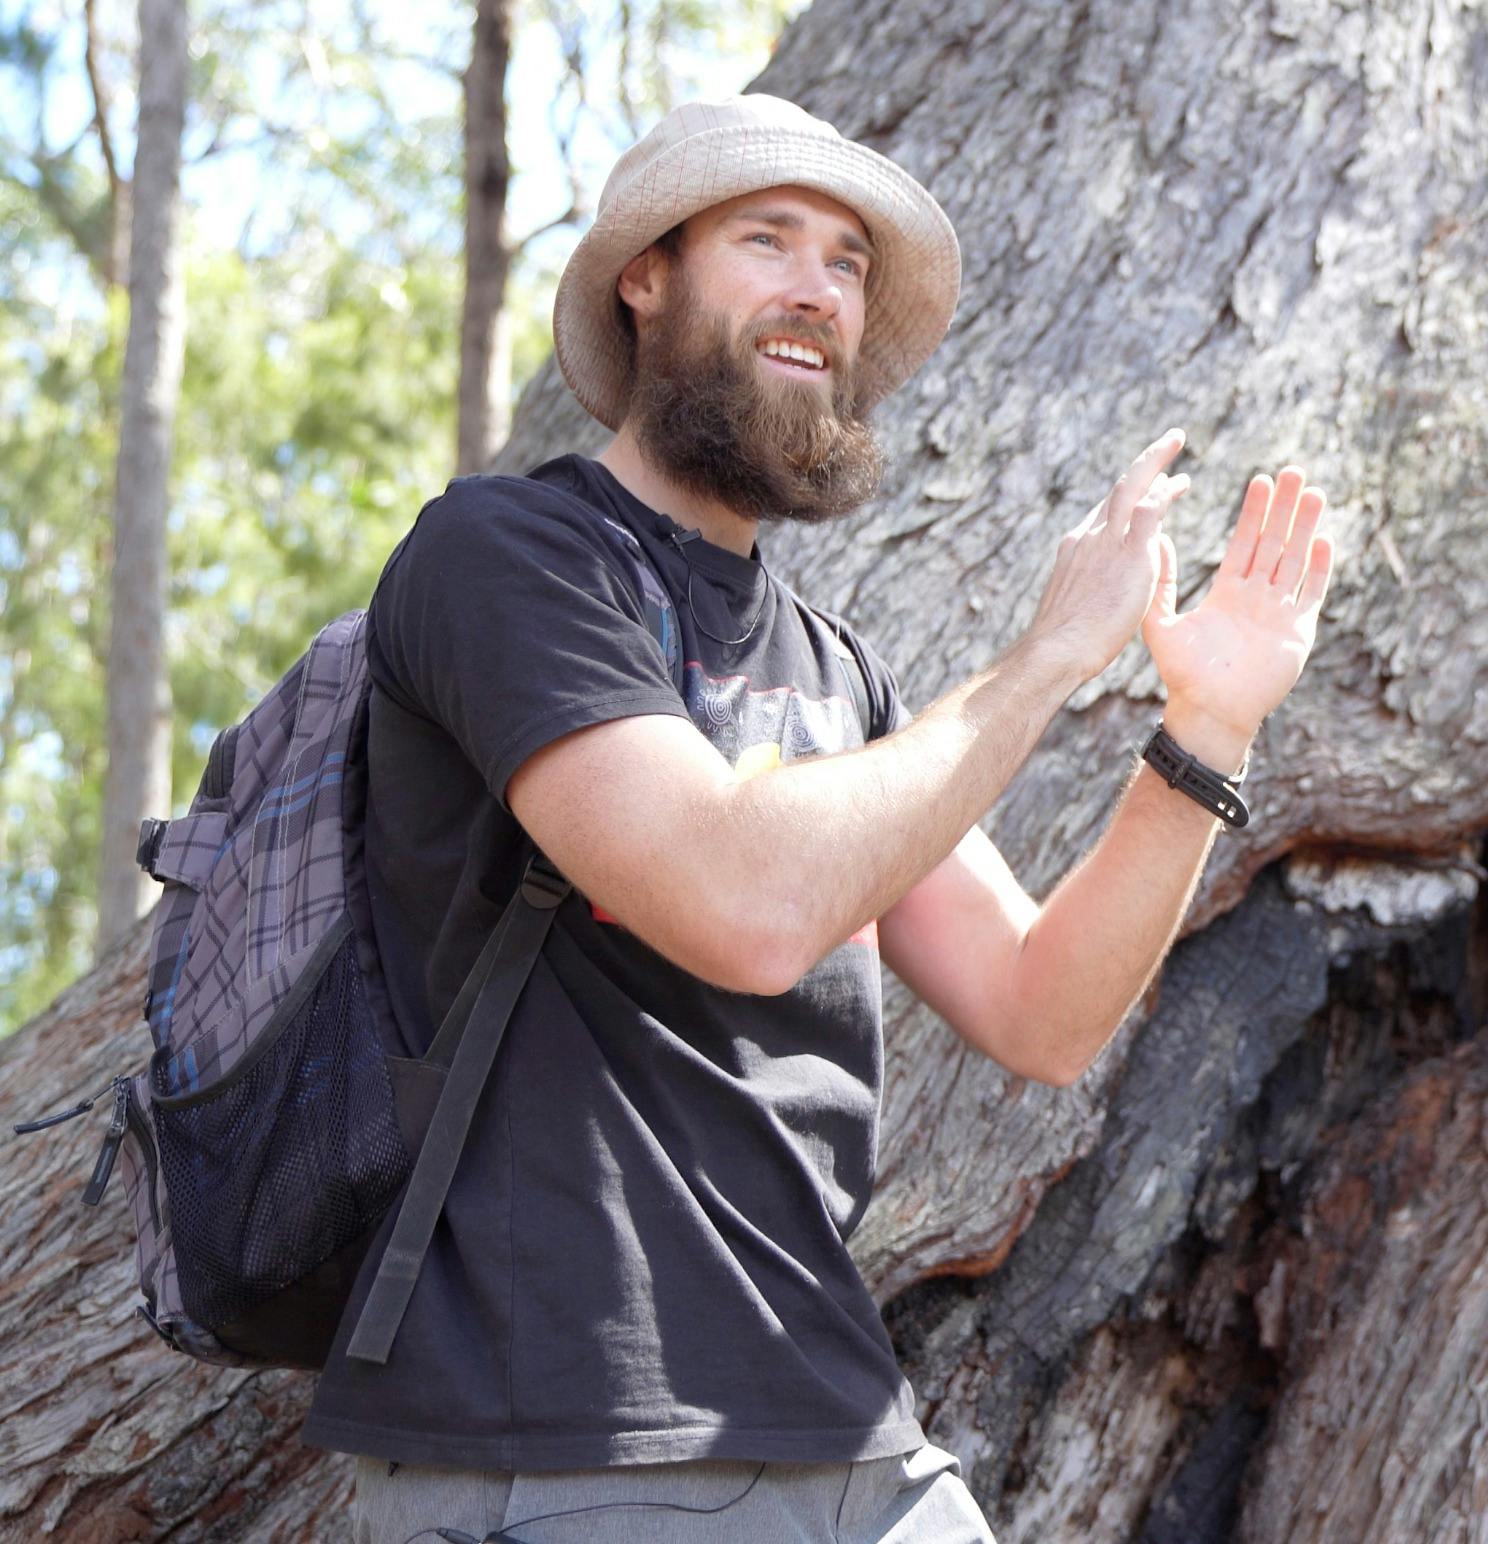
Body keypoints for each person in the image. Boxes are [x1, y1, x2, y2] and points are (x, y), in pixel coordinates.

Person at [308, 93, 1339, 1543]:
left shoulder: (835, 670)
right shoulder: (509, 558)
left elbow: (1040, 1011)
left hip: (847, 1439)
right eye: (766, 239)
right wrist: (1044, 662)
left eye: (848, 263)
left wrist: (1208, 729)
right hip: (561, 1439)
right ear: (646, 276)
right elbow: (745, 905)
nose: (818, 289)